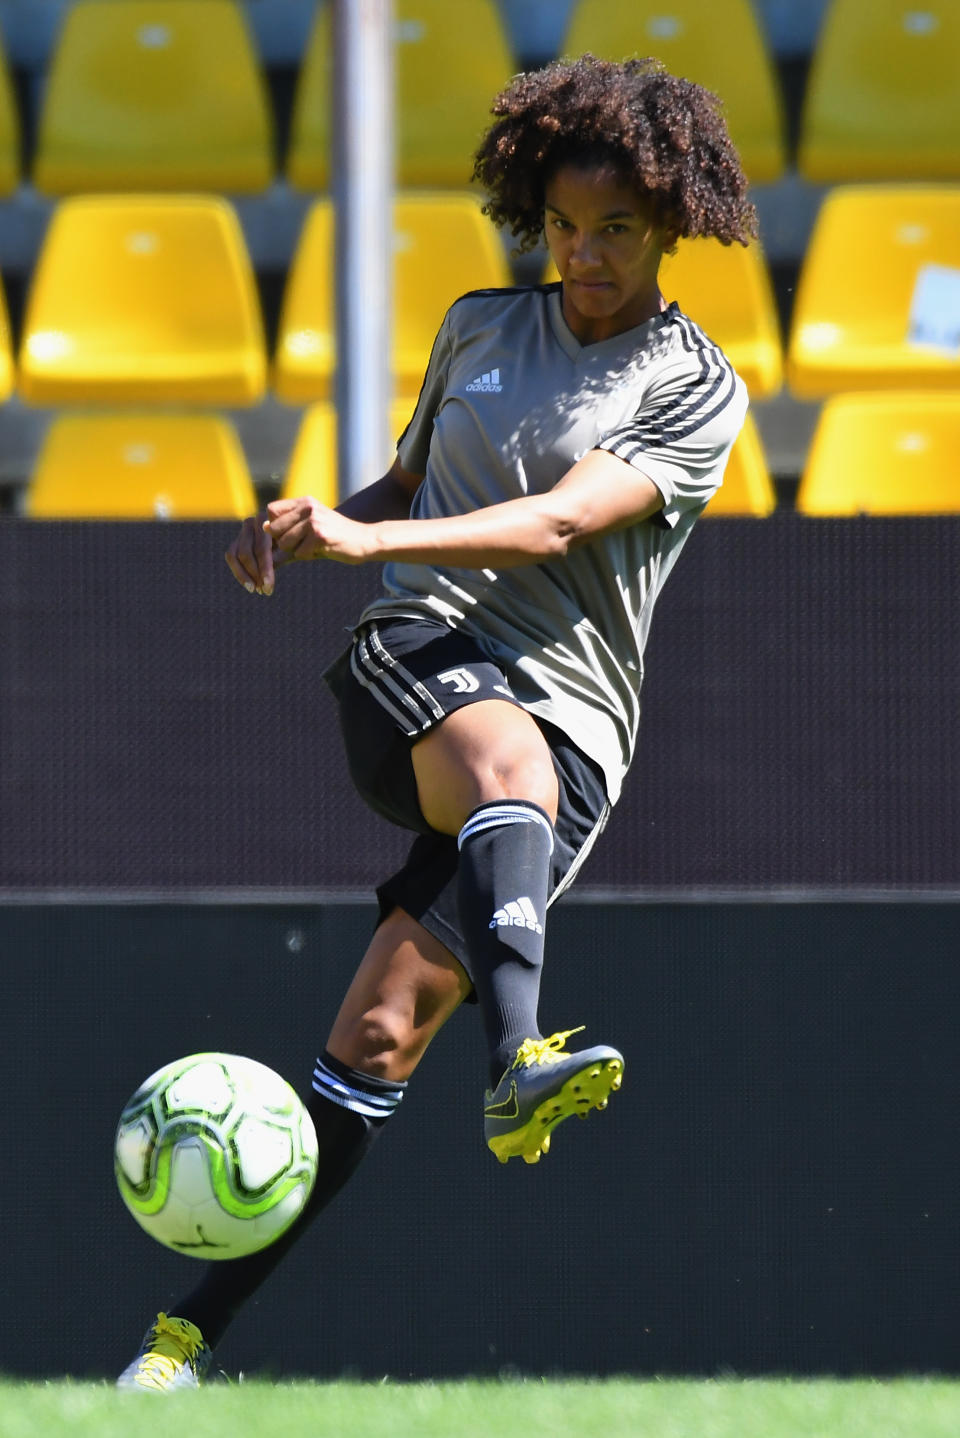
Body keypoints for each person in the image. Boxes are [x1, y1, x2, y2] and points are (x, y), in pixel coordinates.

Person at [118, 53, 756, 1391]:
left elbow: (564, 520)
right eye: (564, 227)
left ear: (674, 225)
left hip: (575, 735)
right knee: (501, 754)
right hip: (420, 652)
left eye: (617, 232)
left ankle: (179, 1341)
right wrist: (323, 529)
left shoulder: (697, 384)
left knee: (377, 1040)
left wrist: (364, 530)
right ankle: (519, 1057)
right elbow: (409, 484)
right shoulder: (478, 324)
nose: (583, 255)